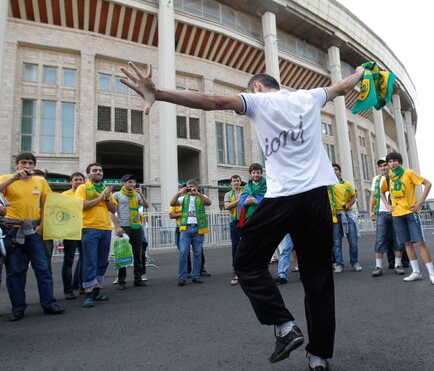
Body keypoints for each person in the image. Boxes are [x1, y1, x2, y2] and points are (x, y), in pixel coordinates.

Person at [120, 61, 367, 370]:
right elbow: (342, 87)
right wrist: (360, 72)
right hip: (317, 198)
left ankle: (285, 326)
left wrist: (158, 93)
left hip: (282, 198)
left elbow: (212, 102)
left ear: (257, 87)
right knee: (318, 280)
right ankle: (318, 356)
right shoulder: (309, 96)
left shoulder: (257, 100)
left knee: (247, 262)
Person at [0, 152, 65, 321]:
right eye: (23, 163)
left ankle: (49, 303)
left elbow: (46, 205)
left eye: (30, 163)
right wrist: (14, 178)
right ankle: (18, 307)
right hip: (12, 230)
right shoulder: (6, 178)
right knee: (15, 271)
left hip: (34, 230)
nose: (27, 166)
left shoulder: (40, 181)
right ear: (17, 165)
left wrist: (42, 226)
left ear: (34, 166)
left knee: (43, 268)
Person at [380, 152, 434, 285]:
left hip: (410, 212)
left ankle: (432, 273)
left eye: (395, 161)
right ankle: (416, 272)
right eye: (390, 161)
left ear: (400, 162)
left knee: (420, 242)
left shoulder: (408, 173)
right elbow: (381, 191)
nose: (392, 163)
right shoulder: (388, 177)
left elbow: (428, 184)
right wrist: (387, 205)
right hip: (396, 214)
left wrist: (420, 202)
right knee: (407, 243)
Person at [75, 163, 117, 308]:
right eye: (94, 170)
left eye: (100, 170)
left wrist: (106, 198)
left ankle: (97, 289)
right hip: (89, 228)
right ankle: (88, 293)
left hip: (105, 228)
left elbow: (113, 208)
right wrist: (100, 198)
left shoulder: (106, 190)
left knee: (102, 261)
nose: (98, 172)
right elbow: (81, 205)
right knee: (90, 261)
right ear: (88, 174)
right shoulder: (83, 187)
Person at [169, 179, 212, 286]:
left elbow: (209, 203)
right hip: (185, 228)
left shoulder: (202, 197)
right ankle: (182, 277)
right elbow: (172, 203)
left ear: (196, 187)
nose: (190, 188)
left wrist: (197, 193)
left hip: (198, 228)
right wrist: (179, 192)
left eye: (192, 186)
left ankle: (196, 276)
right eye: (188, 186)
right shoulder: (183, 198)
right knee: (183, 252)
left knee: (197, 253)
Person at [111, 174, 149, 289]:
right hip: (124, 227)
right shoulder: (117, 195)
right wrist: (117, 226)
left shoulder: (136, 195)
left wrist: (141, 195)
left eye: (133, 182)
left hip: (136, 227)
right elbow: (111, 212)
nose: (131, 184)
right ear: (123, 183)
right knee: (122, 254)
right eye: (129, 182)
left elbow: (146, 206)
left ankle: (138, 279)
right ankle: (121, 281)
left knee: (138, 254)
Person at [369, 158, 406, 276]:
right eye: (381, 166)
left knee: (398, 239)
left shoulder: (396, 176)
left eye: (385, 165)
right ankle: (378, 266)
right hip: (381, 212)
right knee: (380, 239)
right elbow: (373, 195)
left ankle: (398, 264)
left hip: (397, 212)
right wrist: (371, 211)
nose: (383, 167)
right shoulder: (376, 179)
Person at [329, 163, 361, 273]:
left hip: (347, 214)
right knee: (336, 242)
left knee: (353, 241)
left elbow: (353, 196)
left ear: (339, 171)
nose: (334, 171)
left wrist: (348, 204)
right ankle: (339, 264)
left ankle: (355, 262)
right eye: (332, 170)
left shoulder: (347, 184)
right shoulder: (327, 185)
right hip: (335, 215)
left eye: (336, 169)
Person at [61, 172, 86, 299]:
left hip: (85, 229)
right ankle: (68, 290)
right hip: (71, 231)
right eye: (76, 179)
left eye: (81, 179)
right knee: (68, 260)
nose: (79, 181)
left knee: (85, 259)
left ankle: (82, 286)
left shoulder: (86, 194)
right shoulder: (65, 195)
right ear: (71, 181)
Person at [224, 175, 242, 285]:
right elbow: (227, 206)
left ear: (240, 182)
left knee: (245, 244)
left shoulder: (245, 191)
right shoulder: (228, 194)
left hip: (245, 221)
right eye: (234, 181)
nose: (236, 182)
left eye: (237, 181)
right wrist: (238, 201)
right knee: (235, 244)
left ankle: (245, 264)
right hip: (234, 221)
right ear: (231, 183)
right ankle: (236, 265)